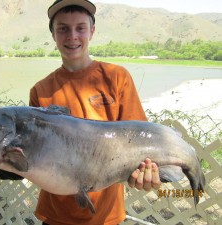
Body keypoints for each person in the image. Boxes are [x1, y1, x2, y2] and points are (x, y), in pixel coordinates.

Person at [29, 0, 161, 224]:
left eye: (80, 27)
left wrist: (146, 173)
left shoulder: (117, 77)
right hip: (54, 216)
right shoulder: (40, 91)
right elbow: (35, 152)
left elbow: (139, 143)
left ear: (92, 31)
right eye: (63, 29)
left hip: (106, 217)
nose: (72, 36)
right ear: (53, 34)